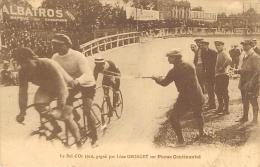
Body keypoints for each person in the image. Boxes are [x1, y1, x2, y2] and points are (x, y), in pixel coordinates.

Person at [13, 47, 82, 146]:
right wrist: (22, 112)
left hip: (66, 85)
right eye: (21, 63)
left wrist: (61, 104)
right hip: (47, 87)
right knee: (39, 105)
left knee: (66, 117)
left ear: (34, 59)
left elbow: (62, 86)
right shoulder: (23, 71)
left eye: (26, 62)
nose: (24, 66)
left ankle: (79, 143)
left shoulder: (47, 64)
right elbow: (22, 93)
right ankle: (56, 127)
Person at [51, 33, 98, 146]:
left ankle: (94, 137)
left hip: (87, 83)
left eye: (58, 45)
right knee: (64, 109)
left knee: (86, 110)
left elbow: (87, 74)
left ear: (67, 45)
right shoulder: (55, 57)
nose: (55, 47)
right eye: (54, 45)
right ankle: (77, 121)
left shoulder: (78, 56)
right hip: (71, 84)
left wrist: (77, 81)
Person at [152, 49, 205, 145]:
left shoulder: (174, 71)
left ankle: (181, 141)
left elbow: (164, 83)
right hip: (197, 94)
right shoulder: (189, 65)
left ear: (175, 58)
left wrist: (156, 79)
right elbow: (181, 76)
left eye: (169, 57)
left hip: (186, 97)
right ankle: (202, 133)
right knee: (198, 114)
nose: (168, 59)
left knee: (173, 118)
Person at [236, 40, 260, 124]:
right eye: (243, 45)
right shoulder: (245, 56)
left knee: (253, 101)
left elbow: (257, 71)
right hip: (244, 82)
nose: (243, 47)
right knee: (245, 100)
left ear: (251, 46)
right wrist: (239, 71)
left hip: (252, 83)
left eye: (245, 45)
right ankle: (245, 117)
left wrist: (251, 83)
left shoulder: (255, 56)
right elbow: (246, 69)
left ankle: (255, 119)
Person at [214, 41, 232, 114]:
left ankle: (226, 109)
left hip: (223, 75)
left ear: (222, 46)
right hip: (218, 75)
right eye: (216, 45)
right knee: (217, 91)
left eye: (219, 45)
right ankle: (221, 107)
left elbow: (229, 59)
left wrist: (223, 67)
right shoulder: (219, 53)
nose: (217, 47)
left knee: (224, 92)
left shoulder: (224, 52)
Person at [200, 40, 217, 110]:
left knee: (216, 89)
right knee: (209, 89)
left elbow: (216, 63)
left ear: (207, 45)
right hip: (207, 74)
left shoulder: (213, 52)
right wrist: (204, 72)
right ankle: (212, 104)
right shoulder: (203, 53)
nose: (201, 46)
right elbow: (204, 64)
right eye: (201, 45)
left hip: (214, 73)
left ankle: (217, 104)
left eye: (203, 45)